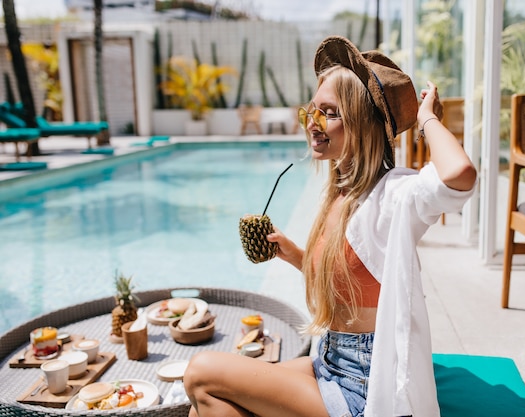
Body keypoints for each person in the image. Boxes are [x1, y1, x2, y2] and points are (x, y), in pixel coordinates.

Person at [184, 35, 477, 417]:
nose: (314, 122)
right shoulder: (338, 193)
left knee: (201, 374)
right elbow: (347, 288)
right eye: (313, 110)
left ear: (362, 124)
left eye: (330, 112)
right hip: (330, 358)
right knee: (206, 406)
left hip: (366, 384)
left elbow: (460, 174)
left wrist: (428, 118)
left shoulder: (392, 193)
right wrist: (294, 256)